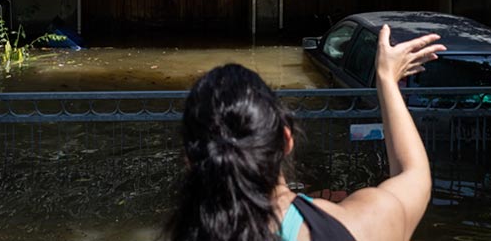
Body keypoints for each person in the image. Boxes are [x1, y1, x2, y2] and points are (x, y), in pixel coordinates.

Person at [166, 25, 444, 241]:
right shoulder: (354, 226)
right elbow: (413, 174)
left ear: (190, 159)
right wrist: (386, 79)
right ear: (286, 140)